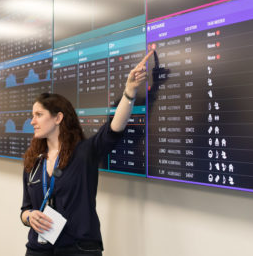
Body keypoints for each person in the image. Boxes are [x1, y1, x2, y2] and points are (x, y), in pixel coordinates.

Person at [20, 50, 154, 256]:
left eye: (39, 115)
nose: (32, 121)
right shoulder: (33, 161)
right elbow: (25, 208)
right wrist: (29, 217)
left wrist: (129, 92)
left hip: (78, 249)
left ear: (58, 118)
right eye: (32, 115)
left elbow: (114, 128)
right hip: (39, 249)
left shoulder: (83, 153)